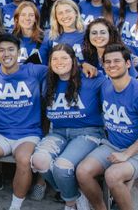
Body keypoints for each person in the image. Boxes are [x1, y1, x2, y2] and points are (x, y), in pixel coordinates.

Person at [76, 44, 138, 210]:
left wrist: (127, 154)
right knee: (82, 172)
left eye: (117, 61)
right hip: (113, 145)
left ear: (128, 64)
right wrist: (82, 64)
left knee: (112, 175)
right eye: (107, 62)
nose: (112, 65)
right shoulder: (106, 86)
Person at [0, 33, 47, 210]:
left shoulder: (34, 71)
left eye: (11, 49)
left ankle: (14, 207)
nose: (6, 54)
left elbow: (62, 68)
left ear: (19, 52)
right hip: (0, 132)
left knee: (24, 159)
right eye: (1, 50)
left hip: (28, 133)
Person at [30, 44, 105, 210]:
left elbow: (116, 88)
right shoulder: (47, 80)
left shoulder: (91, 78)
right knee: (39, 161)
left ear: (73, 60)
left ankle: (70, 204)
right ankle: (74, 195)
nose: (59, 62)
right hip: (58, 132)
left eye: (64, 58)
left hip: (87, 132)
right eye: (55, 59)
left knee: (62, 167)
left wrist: (83, 65)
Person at [40, 0, 86, 64]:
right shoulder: (49, 35)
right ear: (56, 17)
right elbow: (43, 61)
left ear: (76, 12)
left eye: (68, 11)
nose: (65, 16)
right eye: (60, 13)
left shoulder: (88, 32)